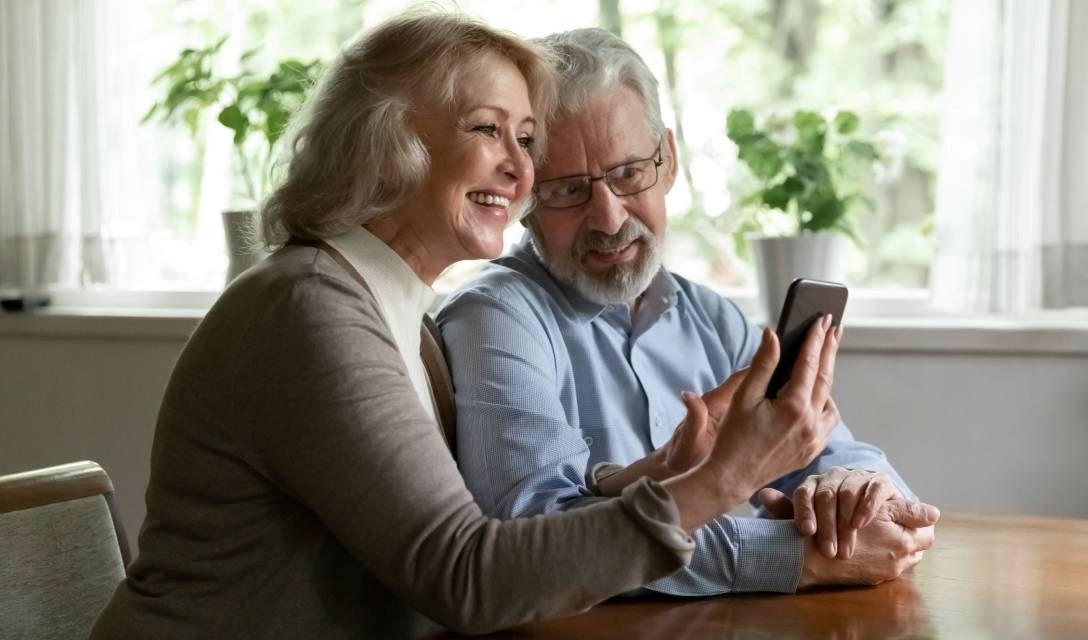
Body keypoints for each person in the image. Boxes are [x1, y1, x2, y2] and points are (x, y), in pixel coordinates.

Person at [89, 13, 867, 639]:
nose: (521, 170)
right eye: (488, 129)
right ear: (387, 141)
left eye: (527, 141)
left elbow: (476, 532)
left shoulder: (394, 313)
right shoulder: (309, 310)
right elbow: (470, 577)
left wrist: (649, 474)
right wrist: (723, 480)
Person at [438, 27, 939, 596]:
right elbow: (535, 535)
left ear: (668, 161)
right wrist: (799, 557)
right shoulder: (495, 318)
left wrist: (854, 490)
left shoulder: (711, 319)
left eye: (628, 174)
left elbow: (832, 449)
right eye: (567, 191)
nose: (607, 218)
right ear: (526, 197)